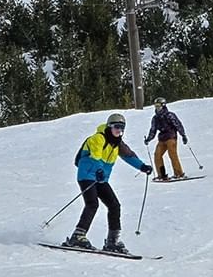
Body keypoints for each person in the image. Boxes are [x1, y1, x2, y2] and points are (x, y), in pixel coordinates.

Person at [65, 113, 152, 253]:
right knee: (92, 204)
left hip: (101, 179)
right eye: (117, 127)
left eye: (122, 128)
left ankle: (112, 241)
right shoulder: (98, 138)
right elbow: (95, 156)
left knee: (114, 205)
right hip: (87, 175)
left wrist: (142, 166)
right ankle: (78, 236)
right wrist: (99, 170)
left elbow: (129, 156)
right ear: (110, 126)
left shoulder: (117, 143)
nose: (119, 131)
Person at [144, 97, 188, 181]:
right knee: (157, 155)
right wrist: (148, 139)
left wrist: (183, 135)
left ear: (163, 105)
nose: (157, 108)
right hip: (162, 139)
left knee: (172, 154)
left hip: (171, 137)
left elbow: (178, 125)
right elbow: (153, 130)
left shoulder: (169, 115)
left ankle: (179, 173)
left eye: (158, 106)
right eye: (156, 106)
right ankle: (162, 175)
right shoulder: (155, 118)